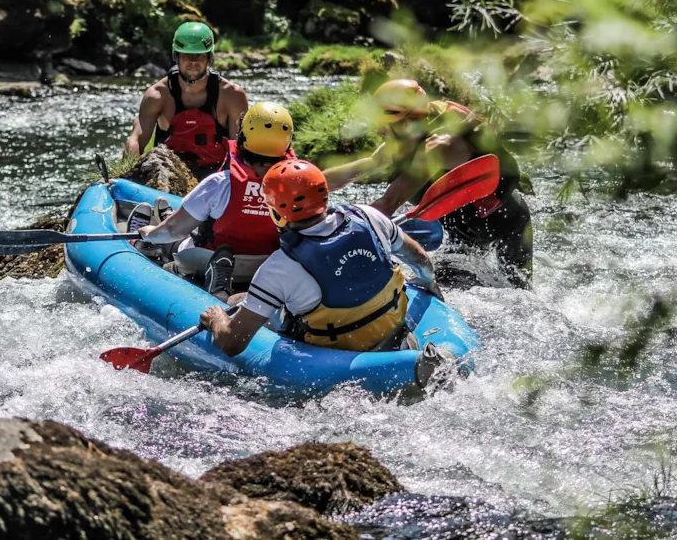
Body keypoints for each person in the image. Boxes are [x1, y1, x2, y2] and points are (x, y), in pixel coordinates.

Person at [199, 159, 442, 357]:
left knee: (238, 300)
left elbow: (232, 344)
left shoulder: (279, 267)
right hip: (394, 337)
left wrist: (217, 319)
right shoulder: (368, 216)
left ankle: (219, 294)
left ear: (276, 212)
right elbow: (419, 257)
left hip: (334, 354)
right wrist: (430, 284)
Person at [322, 79, 532, 289]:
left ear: (405, 124)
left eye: (383, 126)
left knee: (520, 291)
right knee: (448, 287)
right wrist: (313, 183)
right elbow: (369, 164)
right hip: (463, 232)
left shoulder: (438, 147)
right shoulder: (409, 134)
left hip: (508, 224)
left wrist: (335, 233)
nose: (378, 132)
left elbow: (388, 203)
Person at [132, 102, 296, 300]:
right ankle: (168, 218)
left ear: (243, 138)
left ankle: (144, 245)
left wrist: (149, 233)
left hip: (213, 259)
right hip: (266, 266)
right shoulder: (295, 185)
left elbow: (173, 231)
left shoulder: (220, 183)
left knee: (173, 238)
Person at [125, 21, 249, 178]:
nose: (193, 62)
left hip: (217, 178)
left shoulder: (232, 95)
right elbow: (135, 140)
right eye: (186, 55)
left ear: (209, 57)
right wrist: (129, 176)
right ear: (176, 56)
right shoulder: (157, 95)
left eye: (199, 55)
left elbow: (239, 151)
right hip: (169, 175)